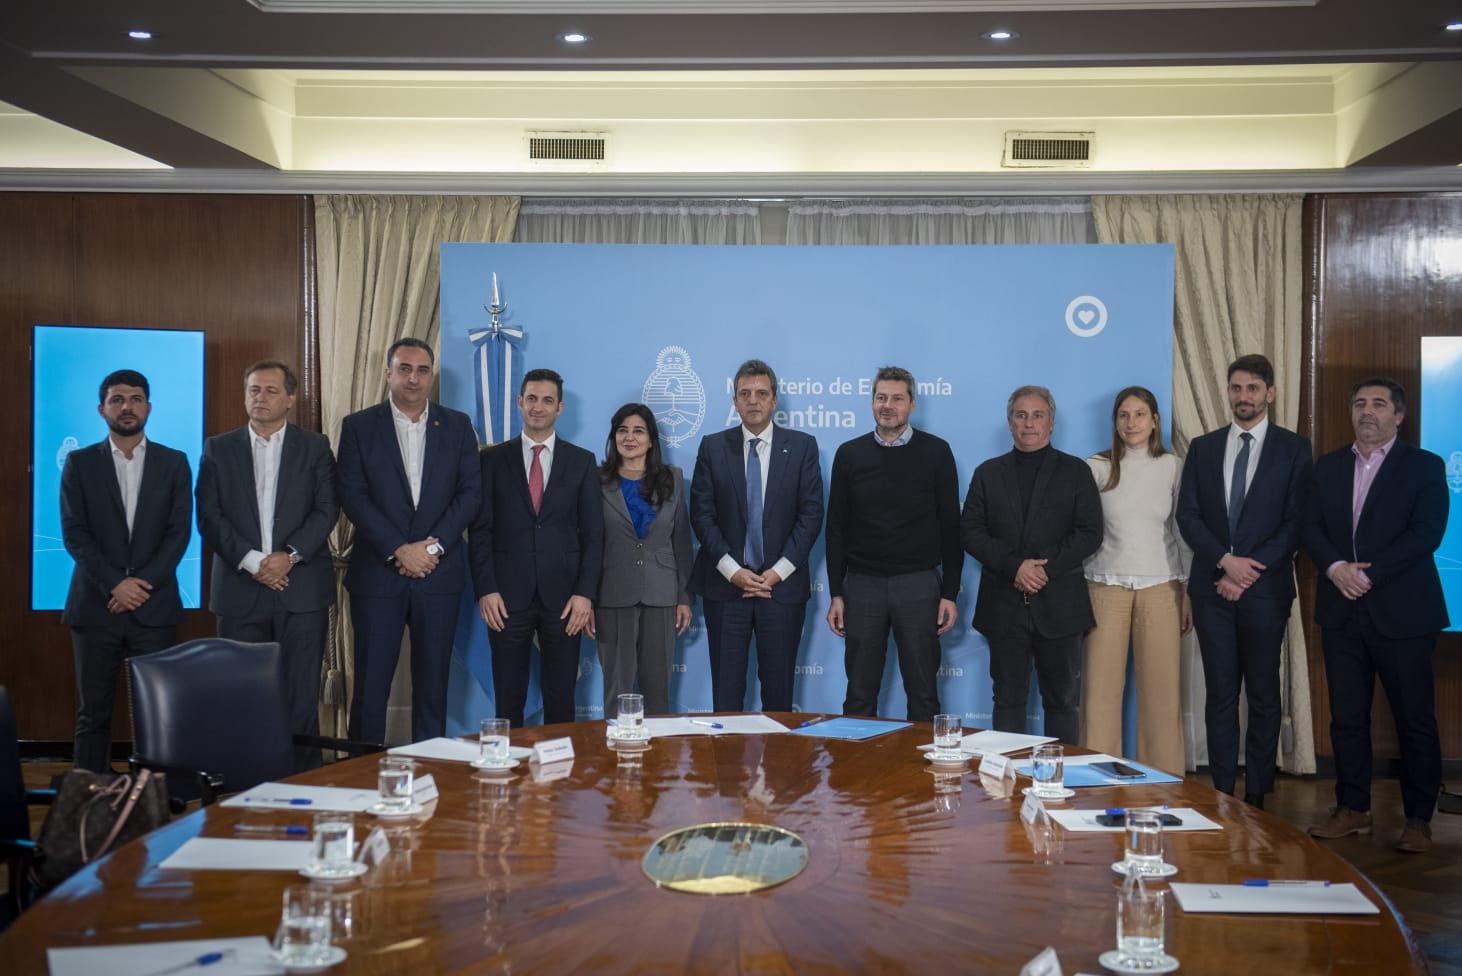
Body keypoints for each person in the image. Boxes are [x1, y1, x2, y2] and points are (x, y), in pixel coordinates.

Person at [1302, 378, 1449, 853]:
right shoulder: (1327, 467)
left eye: (1379, 404)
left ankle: (1419, 820)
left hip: (1404, 612)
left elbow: (1427, 534)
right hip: (1342, 611)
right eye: (1360, 403)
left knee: (1415, 720)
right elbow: (1310, 526)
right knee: (1346, 717)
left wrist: (1368, 574)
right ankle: (1352, 808)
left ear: (1398, 416)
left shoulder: (1424, 466)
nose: (1368, 411)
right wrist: (1335, 567)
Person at [1176, 353, 1311, 809]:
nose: (1243, 397)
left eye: (1252, 388)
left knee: (1263, 694)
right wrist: (1224, 562)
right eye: (1236, 388)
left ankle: (1256, 796)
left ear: (1269, 393)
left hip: (1265, 591)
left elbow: (1295, 523)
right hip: (1212, 589)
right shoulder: (1204, 447)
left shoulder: (1294, 449)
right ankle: (1221, 794)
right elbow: (1188, 516)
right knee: (1220, 694)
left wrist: (1247, 570)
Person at [336, 338, 481, 743]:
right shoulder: (359, 426)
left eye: (421, 370)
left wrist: (431, 549)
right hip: (378, 575)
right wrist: (399, 549)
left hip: (439, 575)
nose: (413, 378)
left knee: (433, 685)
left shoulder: (457, 425)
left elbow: (470, 495)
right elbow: (352, 494)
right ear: (388, 373)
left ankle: (429, 769)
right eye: (404, 368)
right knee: (370, 685)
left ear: (431, 376)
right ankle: (361, 774)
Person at [195, 361, 338, 766]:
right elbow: (209, 515)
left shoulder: (315, 447)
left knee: (300, 695)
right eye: (254, 390)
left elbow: (326, 510)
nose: (260, 397)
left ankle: (303, 783)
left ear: (291, 399)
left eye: (271, 391)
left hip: (302, 589)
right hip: (241, 590)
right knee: (240, 693)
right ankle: (244, 781)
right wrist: (255, 561)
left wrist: (288, 557)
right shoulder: (218, 448)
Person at [60, 369, 192, 772]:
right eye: (117, 399)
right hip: (95, 607)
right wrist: (116, 584)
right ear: (102, 410)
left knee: (157, 712)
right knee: (93, 712)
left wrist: (141, 584)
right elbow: (74, 533)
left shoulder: (174, 462)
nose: (127, 407)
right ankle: (89, 800)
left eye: (135, 398)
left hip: (154, 610)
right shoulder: (80, 464)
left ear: (148, 407)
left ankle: (149, 795)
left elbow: (179, 533)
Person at [960, 385, 1102, 745]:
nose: (1029, 423)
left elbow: (1089, 533)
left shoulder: (1075, 471)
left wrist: (1043, 570)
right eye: (1021, 415)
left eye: (1037, 415)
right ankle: (1006, 786)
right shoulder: (987, 473)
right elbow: (971, 532)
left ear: (1051, 423)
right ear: (1010, 422)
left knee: (1063, 702)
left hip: (1061, 605)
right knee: (1007, 700)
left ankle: (1061, 781)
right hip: (1004, 605)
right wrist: (1015, 567)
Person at [825, 366, 962, 723]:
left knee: (923, 694)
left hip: (918, 585)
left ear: (912, 404)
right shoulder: (849, 454)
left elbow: (951, 527)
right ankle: (856, 775)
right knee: (859, 693)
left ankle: (925, 776)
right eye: (881, 397)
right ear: (872, 402)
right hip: (862, 586)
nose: (888, 405)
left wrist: (949, 593)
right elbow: (836, 527)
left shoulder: (936, 452)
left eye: (897, 398)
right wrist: (836, 593)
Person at [471, 368, 603, 728]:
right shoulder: (492, 460)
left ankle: (560, 779)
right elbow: (480, 530)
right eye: (531, 399)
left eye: (547, 400)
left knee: (561, 699)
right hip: (505, 598)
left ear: (560, 408)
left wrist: (584, 594)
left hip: (564, 600)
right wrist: (486, 589)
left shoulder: (582, 462)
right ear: (519, 403)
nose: (538, 407)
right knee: (508, 699)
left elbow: (593, 535)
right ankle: (508, 775)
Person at [690, 359, 824, 712]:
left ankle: (779, 768)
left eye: (761, 393)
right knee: (727, 696)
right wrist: (732, 571)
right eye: (745, 394)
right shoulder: (712, 447)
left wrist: (777, 572)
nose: (753, 401)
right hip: (727, 589)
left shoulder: (802, 446)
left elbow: (811, 515)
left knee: (779, 697)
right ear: (734, 401)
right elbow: (702, 515)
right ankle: (728, 767)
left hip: (780, 590)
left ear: (774, 400)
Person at [1081, 386, 1192, 774]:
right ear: (1115, 421)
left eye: (1140, 414)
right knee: (1099, 696)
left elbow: (1181, 531)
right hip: (1103, 586)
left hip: (1161, 588)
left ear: (1155, 420)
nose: (1132, 423)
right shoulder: (1095, 467)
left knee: (1162, 696)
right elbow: (1081, 530)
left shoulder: (1173, 467)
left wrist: (1187, 589)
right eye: (1124, 415)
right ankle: (1095, 776)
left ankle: (1164, 780)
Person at [595, 403, 692, 717]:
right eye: (622, 430)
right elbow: (589, 543)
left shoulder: (673, 479)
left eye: (638, 431)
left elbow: (682, 543)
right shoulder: (597, 480)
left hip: (661, 595)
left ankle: (659, 763)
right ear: (613, 437)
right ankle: (616, 761)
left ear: (651, 440)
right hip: (612, 594)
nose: (630, 437)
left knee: (658, 693)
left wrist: (684, 597)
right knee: (616, 691)